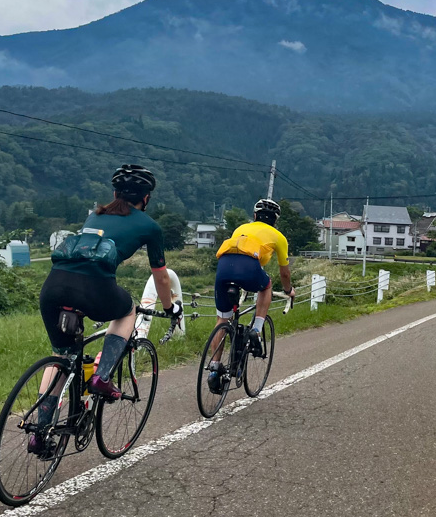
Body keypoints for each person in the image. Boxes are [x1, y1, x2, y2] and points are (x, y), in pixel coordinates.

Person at [32, 164, 182, 452]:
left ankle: (39, 433)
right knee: (127, 311)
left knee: (60, 357)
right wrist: (171, 308)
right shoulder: (150, 226)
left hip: (53, 287)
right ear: (146, 199)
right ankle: (102, 375)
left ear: (114, 193)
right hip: (94, 288)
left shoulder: (95, 214)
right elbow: (161, 276)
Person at [207, 198, 295, 391]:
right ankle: (256, 328)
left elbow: (237, 252)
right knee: (266, 286)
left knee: (223, 320)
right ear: (275, 220)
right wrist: (289, 290)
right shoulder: (279, 237)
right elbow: (285, 273)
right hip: (249, 268)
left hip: (223, 267)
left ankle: (213, 368)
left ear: (254, 216)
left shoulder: (240, 228)